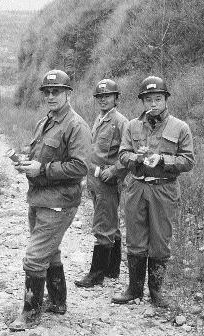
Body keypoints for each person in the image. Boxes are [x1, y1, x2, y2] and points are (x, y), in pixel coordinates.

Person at [9, 69, 91, 331]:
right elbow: (39, 152)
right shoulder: (44, 122)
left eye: (56, 92)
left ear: (68, 94)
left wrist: (41, 170)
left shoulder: (76, 126)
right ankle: (58, 302)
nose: (51, 96)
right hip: (39, 198)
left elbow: (79, 167)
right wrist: (25, 161)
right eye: (47, 92)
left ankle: (30, 314)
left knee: (34, 257)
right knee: (50, 251)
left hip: (60, 201)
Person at [112, 76, 194, 308]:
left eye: (158, 98)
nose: (153, 104)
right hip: (136, 186)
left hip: (164, 188)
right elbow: (122, 155)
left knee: (160, 240)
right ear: (142, 102)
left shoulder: (180, 127)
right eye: (148, 100)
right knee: (135, 239)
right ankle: (134, 289)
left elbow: (188, 161)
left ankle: (157, 292)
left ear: (166, 100)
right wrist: (138, 157)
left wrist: (162, 159)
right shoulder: (132, 126)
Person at [75, 79, 128, 288]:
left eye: (107, 96)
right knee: (110, 222)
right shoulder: (100, 119)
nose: (103, 100)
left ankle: (96, 275)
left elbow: (128, 152)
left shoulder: (121, 122)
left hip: (108, 180)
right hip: (94, 178)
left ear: (116, 98)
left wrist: (115, 170)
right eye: (100, 97)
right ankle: (112, 270)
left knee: (103, 224)